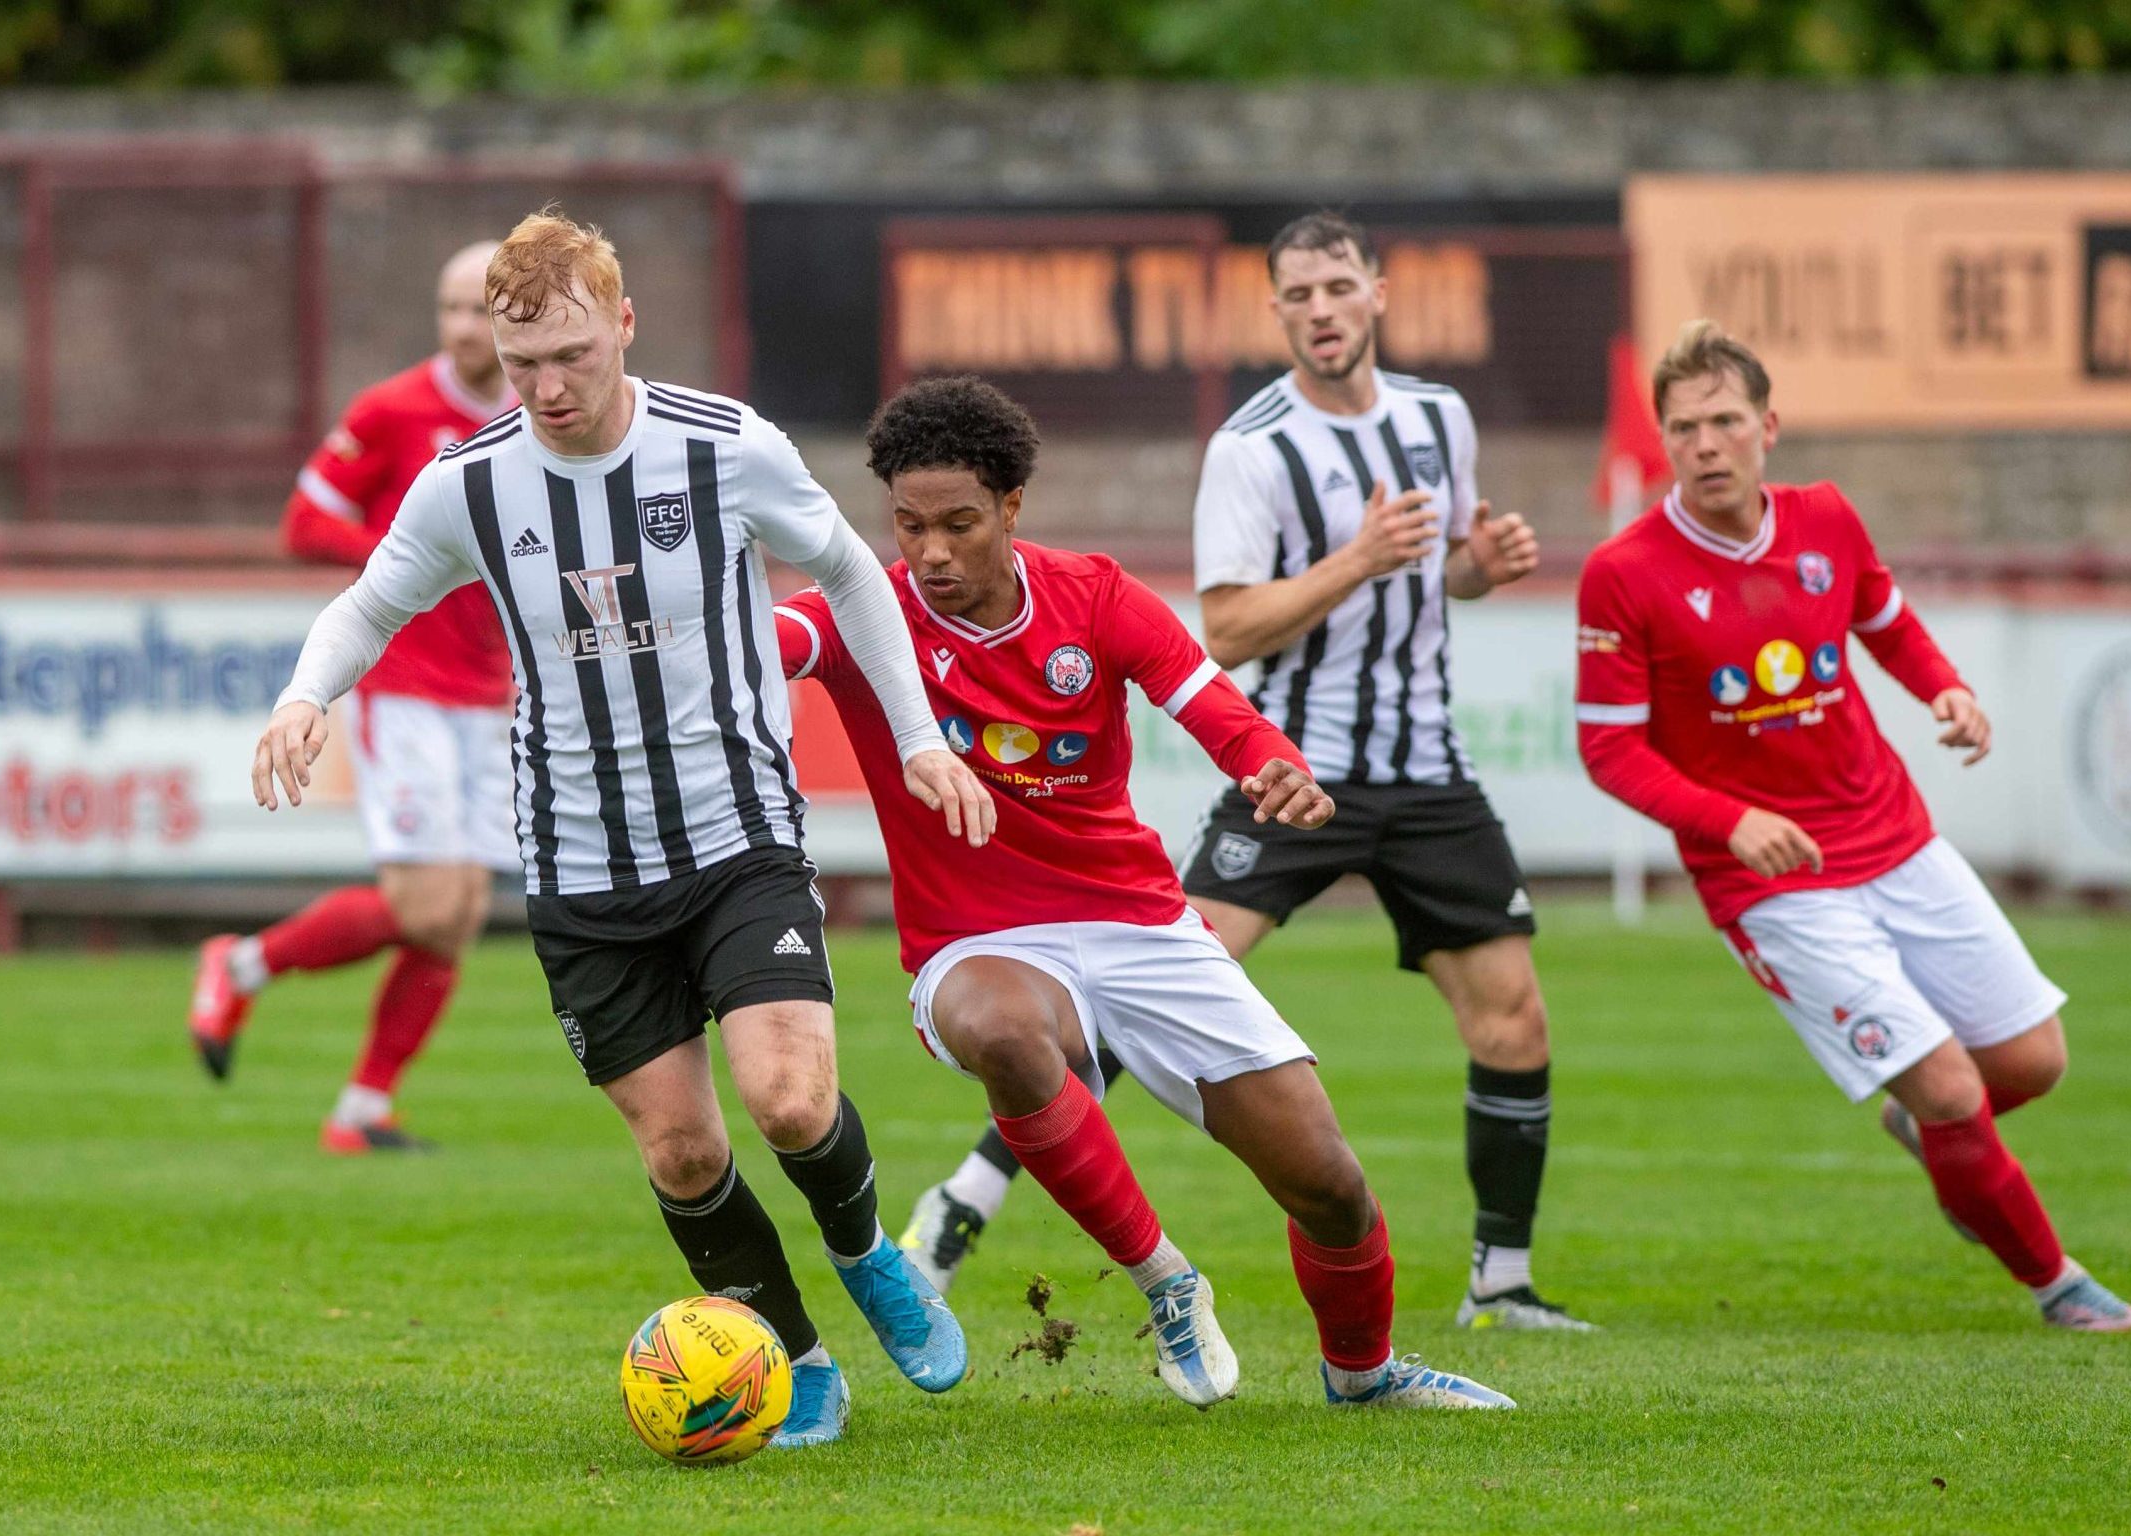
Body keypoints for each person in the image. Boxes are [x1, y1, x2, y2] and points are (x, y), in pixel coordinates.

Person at [249, 208, 1001, 1445]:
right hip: (582, 861)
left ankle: (869, 1253)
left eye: (572, 357)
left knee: (791, 1101)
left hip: (734, 833)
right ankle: (799, 1363)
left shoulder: (724, 448)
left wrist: (919, 738)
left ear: (624, 328)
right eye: (520, 362)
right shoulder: (470, 483)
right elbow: (367, 600)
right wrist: (301, 697)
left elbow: (855, 572)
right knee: (683, 1154)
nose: (545, 388)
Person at [901, 213, 1588, 1333]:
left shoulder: (1437, 418)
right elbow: (1222, 628)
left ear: (1378, 289)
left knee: (1513, 1020)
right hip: (1293, 769)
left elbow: (1439, 575)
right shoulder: (1251, 448)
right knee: (1130, 1002)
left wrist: (1477, 567)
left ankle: (1500, 1286)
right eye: (1295, 295)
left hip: (1425, 768)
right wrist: (1355, 558)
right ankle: (959, 1205)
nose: (1319, 311)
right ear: (1274, 312)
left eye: (1336, 287)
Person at [779, 374, 1513, 1411]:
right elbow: (776, 644)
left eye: (957, 524)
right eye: (907, 526)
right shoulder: (869, 611)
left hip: (1136, 923)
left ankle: (1364, 1373)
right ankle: (1166, 1280)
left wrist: (1268, 761)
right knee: (1000, 1029)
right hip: (976, 938)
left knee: (1330, 1186)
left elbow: (1203, 694)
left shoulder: (1093, 595)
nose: (929, 552)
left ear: (1011, 508)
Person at [1572, 319, 2131, 1332]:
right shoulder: (1623, 572)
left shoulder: (1826, 519)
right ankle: (2061, 1287)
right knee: (1950, 1085)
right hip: (1771, 884)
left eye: (1723, 421)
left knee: (2032, 1062)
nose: (1703, 444)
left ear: (1768, 427)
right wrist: (1729, 821)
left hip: (1893, 836)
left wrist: (1946, 689)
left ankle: (1930, 1134)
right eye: (1682, 427)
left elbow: (1883, 620)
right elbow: (1608, 750)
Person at [188, 241, 520, 1153]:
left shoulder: (540, 414)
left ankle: (362, 1109)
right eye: (449, 308)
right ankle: (243, 962)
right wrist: (396, 555)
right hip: (406, 685)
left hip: (492, 690)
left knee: (456, 916)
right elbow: (304, 521)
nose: (462, 329)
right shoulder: (393, 409)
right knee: (422, 904)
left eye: (479, 310)